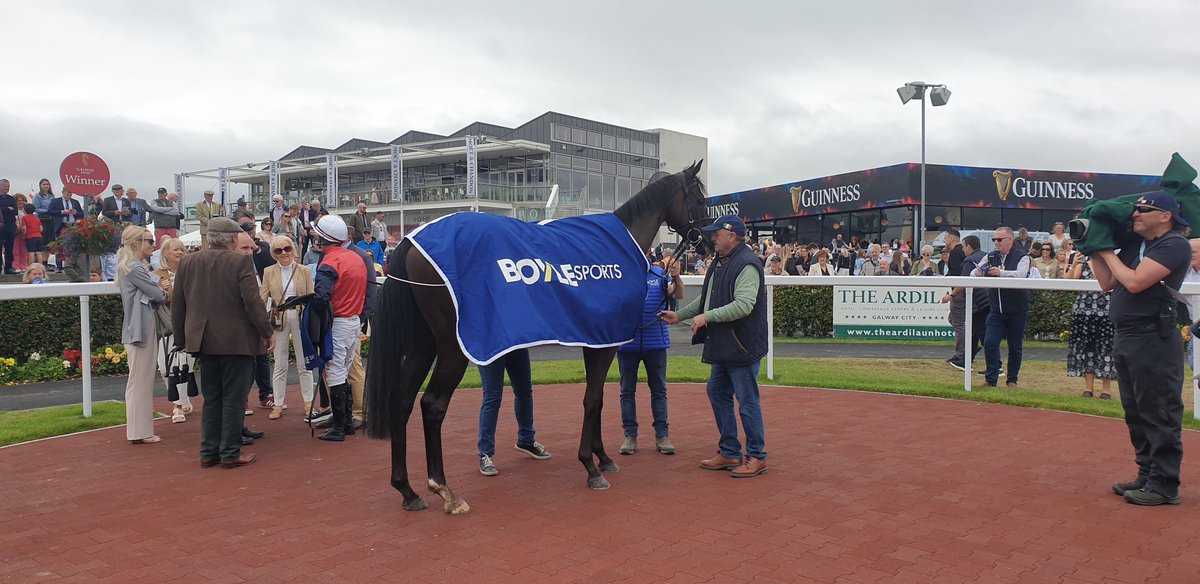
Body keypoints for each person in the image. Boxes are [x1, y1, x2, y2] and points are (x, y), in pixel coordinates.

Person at [1091, 191, 1190, 506]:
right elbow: (1107, 283)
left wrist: (1106, 251)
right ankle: (1147, 474)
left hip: (1153, 339)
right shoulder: (1135, 244)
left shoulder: (1173, 244)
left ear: (1166, 216)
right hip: (1129, 337)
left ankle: (1164, 484)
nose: (1135, 214)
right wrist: (1092, 245)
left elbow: (1134, 282)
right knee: (1135, 411)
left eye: (1144, 210)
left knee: (1158, 410)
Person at [659, 215, 768, 478]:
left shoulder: (747, 264)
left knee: (746, 400)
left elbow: (743, 305)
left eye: (716, 233)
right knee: (717, 391)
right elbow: (707, 300)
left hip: (742, 346)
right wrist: (680, 315)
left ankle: (757, 456)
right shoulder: (720, 261)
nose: (712, 238)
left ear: (731, 236)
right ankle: (729, 451)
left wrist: (707, 317)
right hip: (724, 344)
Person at [172, 217, 274, 469]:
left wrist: (182, 339)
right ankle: (230, 452)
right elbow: (253, 302)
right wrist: (266, 331)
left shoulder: (188, 262)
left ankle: (209, 451)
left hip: (204, 341)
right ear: (231, 239)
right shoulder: (240, 261)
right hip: (237, 340)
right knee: (234, 398)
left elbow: (179, 305)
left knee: (212, 397)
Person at [617, 256, 683, 456]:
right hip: (628, 343)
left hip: (656, 343)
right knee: (627, 391)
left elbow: (678, 294)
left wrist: (677, 277)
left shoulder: (660, 275)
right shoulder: (621, 275)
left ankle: (662, 435)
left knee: (659, 390)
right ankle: (630, 435)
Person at [310, 215, 367, 441]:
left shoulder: (328, 263)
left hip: (338, 323)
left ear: (324, 239)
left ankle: (340, 427)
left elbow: (321, 297)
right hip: (354, 321)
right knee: (344, 368)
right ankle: (345, 422)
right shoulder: (356, 258)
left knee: (335, 371)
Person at [116, 225, 169, 445]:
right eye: (148, 241)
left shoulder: (133, 266)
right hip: (140, 329)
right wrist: (160, 287)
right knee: (141, 381)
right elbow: (159, 294)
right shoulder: (133, 267)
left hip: (139, 327)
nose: (152, 245)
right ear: (136, 243)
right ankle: (140, 431)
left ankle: (140, 430)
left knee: (140, 380)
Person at [260, 235, 315, 420]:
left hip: (300, 317)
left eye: (287, 249)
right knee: (280, 363)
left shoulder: (304, 270)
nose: (284, 253)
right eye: (278, 250)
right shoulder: (268, 271)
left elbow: (310, 296)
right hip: (279, 319)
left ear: (292, 249)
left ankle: (308, 402)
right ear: (274, 254)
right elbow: (263, 298)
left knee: (303, 362)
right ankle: (278, 403)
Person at [475, 348, 552, 476]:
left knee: (524, 392)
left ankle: (526, 441)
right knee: (492, 399)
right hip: (489, 346)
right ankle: (485, 454)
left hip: (514, 344)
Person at [972, 226, 1031, 388]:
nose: (996, 243)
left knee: (1015, 346)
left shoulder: (1023, 257)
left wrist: (1001, 273)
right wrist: (978, 273)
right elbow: (973, 272)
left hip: (1017, 309)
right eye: (994, 240)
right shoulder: (990, 256)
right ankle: (991, 379)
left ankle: (1012, 380)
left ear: (1010, 240)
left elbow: (1020, 275)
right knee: (990, 343)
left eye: (999, 239)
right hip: (996, 310)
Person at [152, 237, 196, 423]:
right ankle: (178, 402)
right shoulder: (156, 275)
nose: (179, 253)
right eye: (175, 250)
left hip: (188, 325)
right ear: (165, 254)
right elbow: (152, 300)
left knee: (186, 365)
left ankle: (179, 403)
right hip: (166, 327)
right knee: (165, 366)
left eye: (181, 250)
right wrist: (160, 290)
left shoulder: (191, 272)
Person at [1064, 253, 1116, 400]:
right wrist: (1073, 264)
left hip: (1106, 313)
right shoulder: (1082, 265)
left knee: (1107, 349)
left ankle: (1106, 390)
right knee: (1087, 349)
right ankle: (1088, 388)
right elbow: (1068, 282)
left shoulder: (1111, 266)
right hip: (1083, 313)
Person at [941, 235, 989, 372]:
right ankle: (966, 358)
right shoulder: (986, 256)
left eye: (964, 246)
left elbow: (964, 280)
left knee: (977, 331)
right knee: (974, 329)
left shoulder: (967, 259)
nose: (962, 249)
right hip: (986, 298)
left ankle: (993, 365)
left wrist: (952, 295)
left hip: (974, 298)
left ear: (968, 246)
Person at [21, 203, 46, 268]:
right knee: (39, 252)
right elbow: (41, 229)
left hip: (30, 236)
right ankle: (40, 266)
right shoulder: (36, 218)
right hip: (39, 236)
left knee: (31, 252)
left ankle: (30, 267)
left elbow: (24, 228)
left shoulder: (24, 217)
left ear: (25, 210)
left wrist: (24, 235)